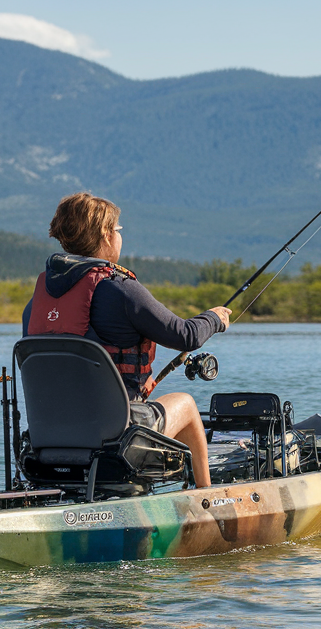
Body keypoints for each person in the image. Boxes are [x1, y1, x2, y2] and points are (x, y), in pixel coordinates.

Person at [22, 192, 231, 488]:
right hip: (115, 437)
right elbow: (187, 335)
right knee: (184, 404)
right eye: (118, 230)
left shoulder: (36, 303)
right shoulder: (121, 290)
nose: (120, 236)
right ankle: (205, 501)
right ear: (106, 236)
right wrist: (214, 318)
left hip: (49, 438)